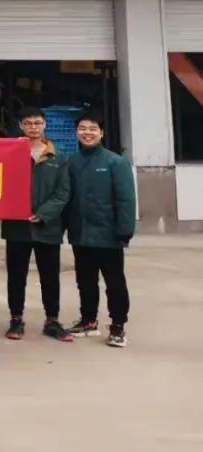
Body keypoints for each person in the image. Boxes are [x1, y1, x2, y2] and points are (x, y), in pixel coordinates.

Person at [64, 112, 135, 348]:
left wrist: (124, 230)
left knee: (114, 282)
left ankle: (118, 326)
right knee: (85, 280)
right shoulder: (71, 162)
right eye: (82, 128)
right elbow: (65, 197)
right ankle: (88, 320)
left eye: (93, 128)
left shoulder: (116, 162)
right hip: (80, 234)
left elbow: (126, 199)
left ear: (101, 133)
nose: (87, 133)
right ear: (76, 132)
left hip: (109, 234)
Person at [2, 107, 73, 342]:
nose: (33, 127)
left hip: (48, 226)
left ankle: (52, 321)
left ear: (45, 125)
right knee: (16, 276)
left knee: (50, 276)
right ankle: (16, 320)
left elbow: (63, 193)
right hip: (17, 226)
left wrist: (43, 214)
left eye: (37, 123)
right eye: (28, 123)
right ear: (21, 126)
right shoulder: (9, 154)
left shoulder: (58, 158)